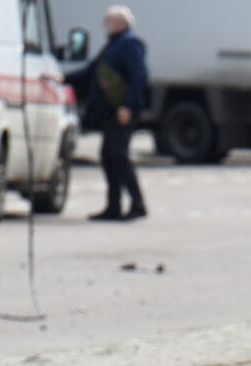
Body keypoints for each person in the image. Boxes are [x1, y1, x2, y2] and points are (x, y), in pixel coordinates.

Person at [68, 6, 148, 221]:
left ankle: (138, 204)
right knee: (109, 156)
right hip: (110, 111)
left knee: (118, 155)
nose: (105, 24)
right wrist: (61, 78)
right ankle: (113, 206)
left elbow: (138, 77)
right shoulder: (112, 45)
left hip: (122, 111)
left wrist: (128, 106)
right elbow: (91, 71)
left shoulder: (130, 43)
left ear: (121, 23)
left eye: (109, 20)